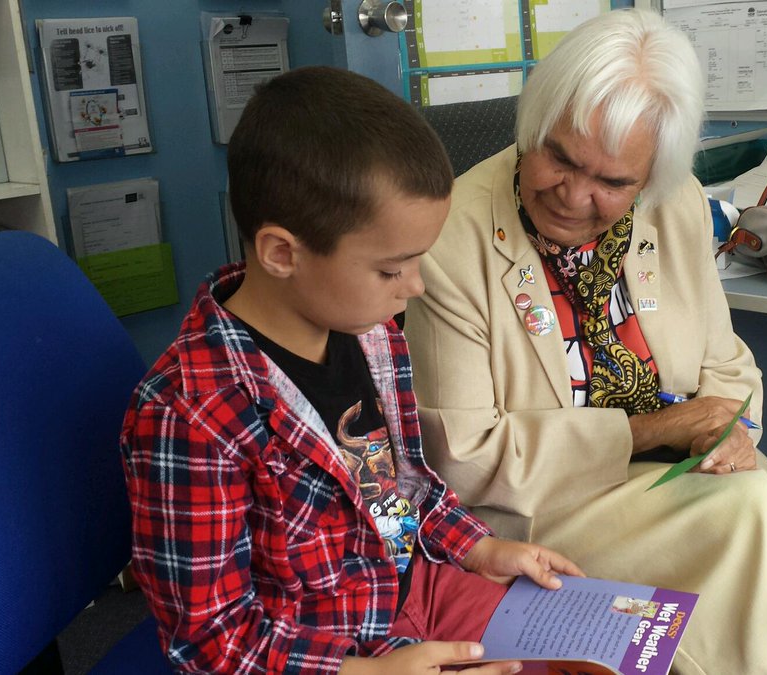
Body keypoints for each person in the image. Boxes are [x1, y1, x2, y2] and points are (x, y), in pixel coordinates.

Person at [404, 9, 767, 674]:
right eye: (560, 159)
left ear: (650, 178)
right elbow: (461, 455)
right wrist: (656, 428)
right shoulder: (451, 235)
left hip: (679, 478)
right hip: (540, 508)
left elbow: (724, 363)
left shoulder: (676, 204)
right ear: (533, 126)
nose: (574, 196)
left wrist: (730, 429)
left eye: (612, 182)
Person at [119, 66, 582, 675]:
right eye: (392, 269)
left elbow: (401, 488)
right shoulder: (190, 415)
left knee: (583, 656)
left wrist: (481, 548)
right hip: (326, 654)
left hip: (416, 590)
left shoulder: (373, 337)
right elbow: (213, 641)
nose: (414, 287)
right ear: (282, 253)